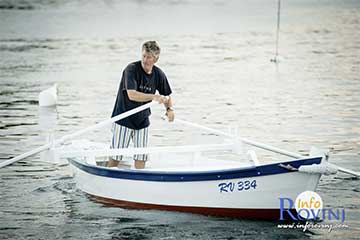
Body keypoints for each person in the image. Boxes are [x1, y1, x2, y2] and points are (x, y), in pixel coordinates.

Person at [108, 41, 174, 169]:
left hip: (142, 120)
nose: (145, 59)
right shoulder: (131, 69)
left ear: (156, 59)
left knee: (141, 156)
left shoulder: (159, 74)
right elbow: (132, 95)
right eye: (143, 56)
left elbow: (167, 95)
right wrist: (154, 97)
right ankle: (106, 177)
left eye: (149, 57)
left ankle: (139, 180)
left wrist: (169, 109)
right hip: (123, 118)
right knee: (116, 155)